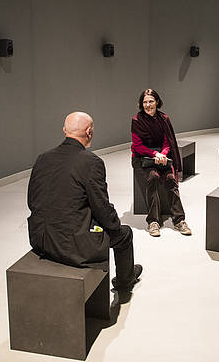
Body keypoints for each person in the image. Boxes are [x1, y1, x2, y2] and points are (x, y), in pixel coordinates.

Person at [27, 112, 142, 298]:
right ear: (89, 132)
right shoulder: (91, 162)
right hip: (73, 247)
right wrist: (115, 227)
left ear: (65, 131)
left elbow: (32, 200)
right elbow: (102, 208)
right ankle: (124, 282)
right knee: (124, 234)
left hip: (40, 238)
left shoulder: (42, 158)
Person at [131, 89, 192, 237]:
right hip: (143, 157)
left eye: (151, 101)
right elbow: (138, 145)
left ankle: (179, 220)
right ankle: (153, 221)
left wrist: (163, 154)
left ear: (157, 102)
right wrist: (154, 154)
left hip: (162, 156)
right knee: (153, 177)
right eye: (145, 102)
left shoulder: (164, 119)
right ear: (141, 104)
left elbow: (167, 141)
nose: (148, 104)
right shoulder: (137, 120)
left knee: (170, 179)